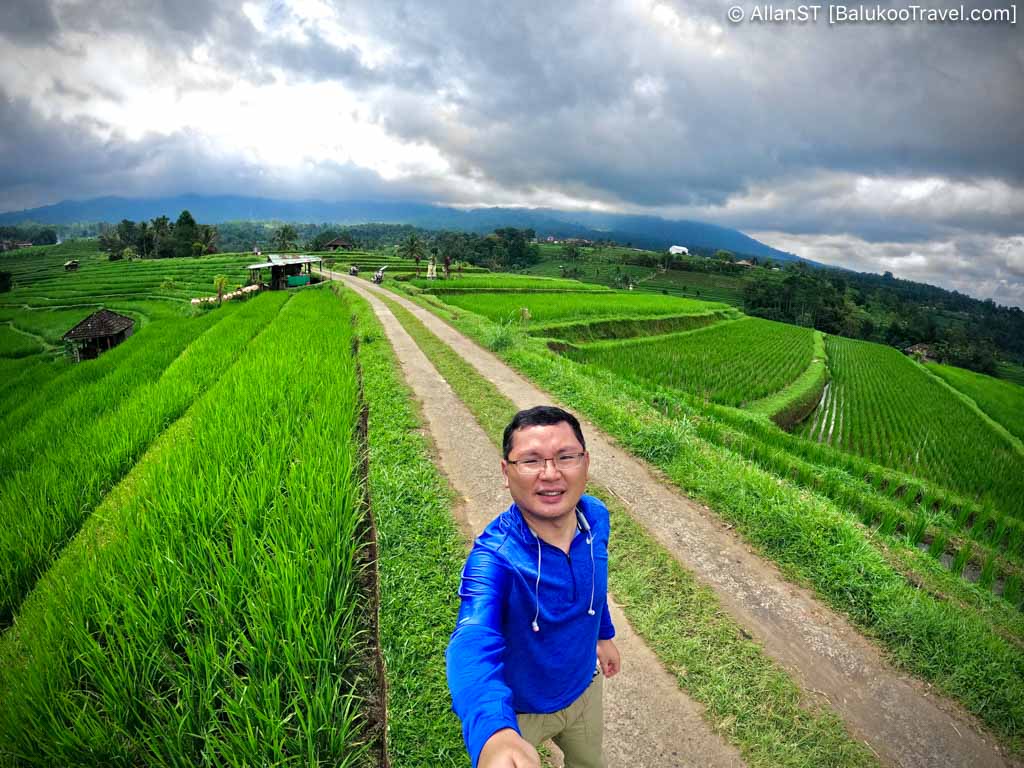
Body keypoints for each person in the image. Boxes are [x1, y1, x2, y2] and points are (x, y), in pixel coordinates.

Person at [446, 406, 621, 768]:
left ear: (586, 463)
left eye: (565, 457)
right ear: (506, 471)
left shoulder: (596, 517)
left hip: (585, 688)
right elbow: (472, 638)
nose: (551, 474)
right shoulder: (494, 558)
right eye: (531, 461)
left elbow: (594, 581)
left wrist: (604, 635)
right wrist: (495, 733)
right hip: (521, 711)